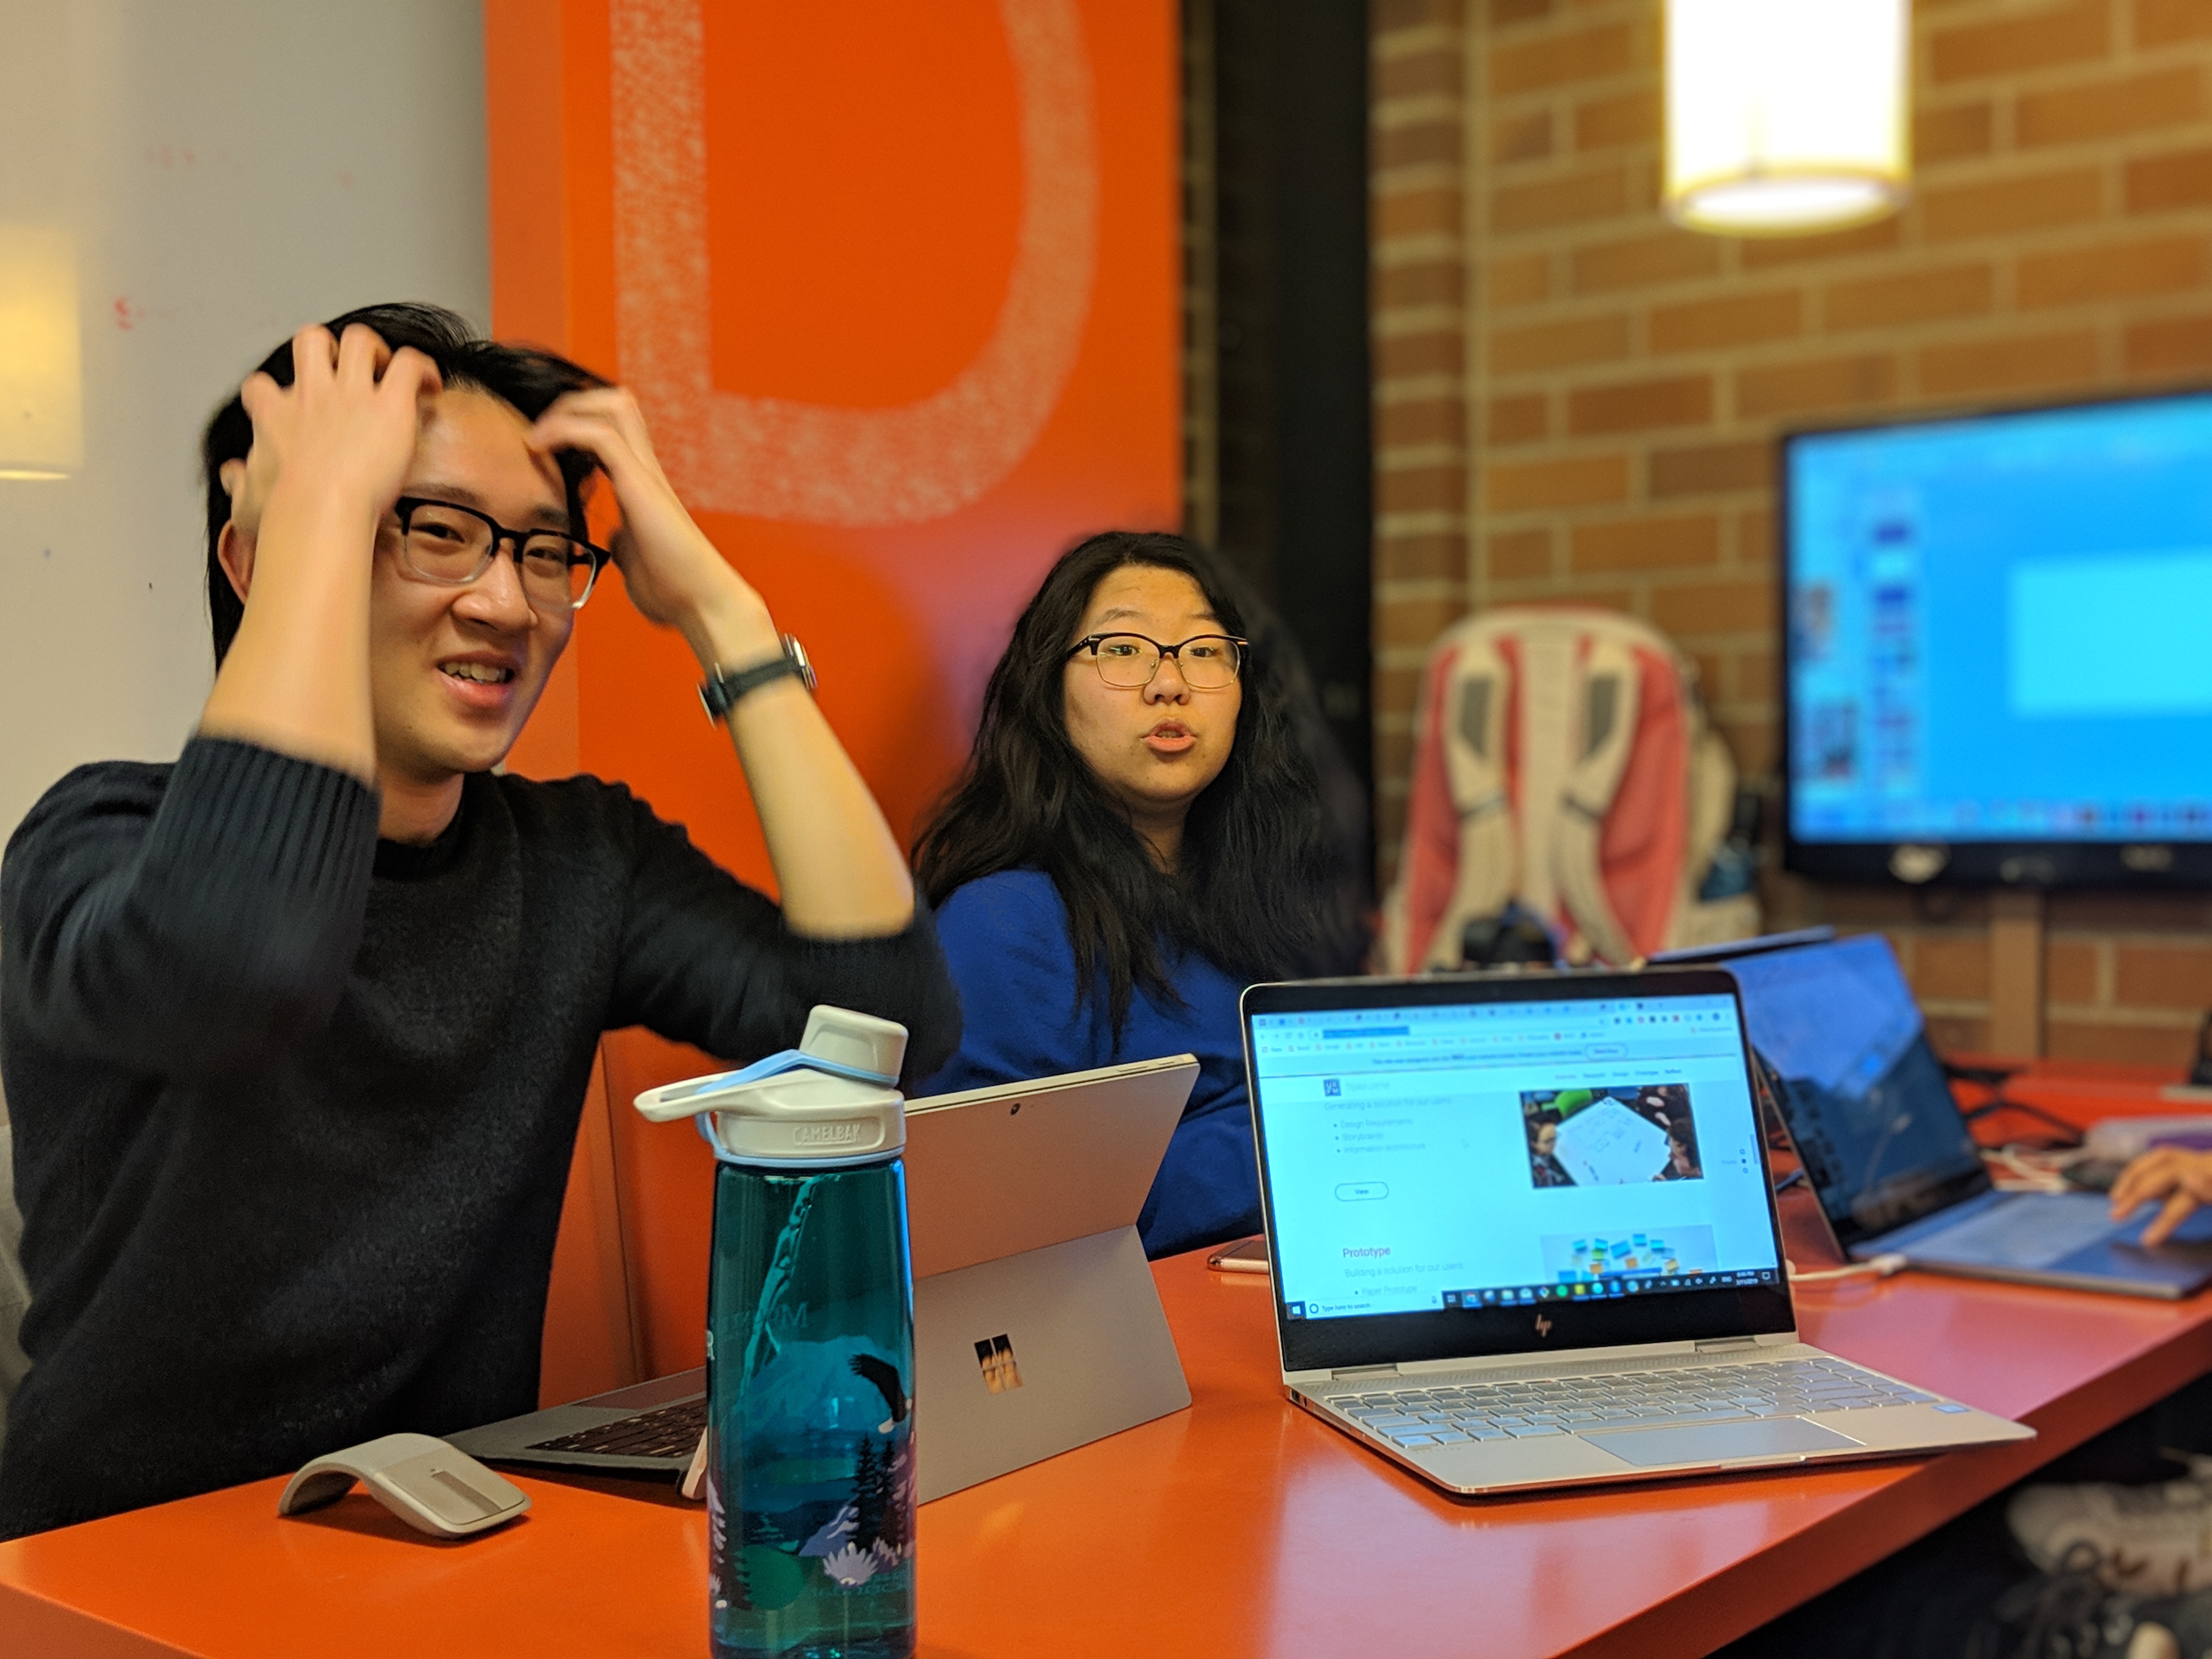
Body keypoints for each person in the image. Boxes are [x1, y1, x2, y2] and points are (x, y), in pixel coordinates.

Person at [0, 304, 958, 1538]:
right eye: (437, 533)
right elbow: (247, 971)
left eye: (547, 553)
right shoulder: (92, 841)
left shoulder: (573, 861)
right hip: (116, 1579)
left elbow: (887, 1030)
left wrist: (720, 610)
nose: (506, 602)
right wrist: (320, 529)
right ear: (259, 561)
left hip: (448, 1556)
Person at [911, 531, 1365, 1259]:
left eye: (1205, 650)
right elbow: (1008, 1229)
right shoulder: (1005, 925)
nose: (1170, 682)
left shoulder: (1274, 908)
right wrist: (1299, 1139)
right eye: (1122, 649)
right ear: (1047, 691)